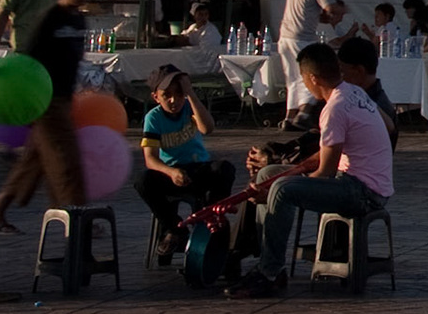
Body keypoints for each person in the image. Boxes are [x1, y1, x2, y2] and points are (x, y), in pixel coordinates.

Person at [229, 41, 394, 299]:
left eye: (303, 79)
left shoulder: (335, 108)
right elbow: (325, 154)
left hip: (363, 191)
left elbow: (326, 172)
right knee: (267, 175)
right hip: (352, 181)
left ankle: (268, 273)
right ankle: (272, 265)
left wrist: (277, 189)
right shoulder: (352, 91)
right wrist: (284, 174)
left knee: (282, 189)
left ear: (313, 78)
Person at [0, 0, 92, 231]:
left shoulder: (79, 20)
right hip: (45, 101)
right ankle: (77, 218)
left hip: (65, 99)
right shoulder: (50, 18)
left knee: (34, 161)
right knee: (67, 160)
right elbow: (28, 59)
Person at [136, 66, 236, 260]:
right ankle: (174, 228)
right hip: (171, 172)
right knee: (143, 180)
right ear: (156, 97)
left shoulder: (190, 106)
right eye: (167, 95)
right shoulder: (153, 118)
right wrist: (171, 172)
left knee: (224, 168)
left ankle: (209, 218)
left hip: (198, 168)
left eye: (179, 94)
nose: (174, 100)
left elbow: (207, 128)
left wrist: (190, 94)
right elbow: (151, 159)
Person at [278, 0, 337, 125]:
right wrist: (343, 9)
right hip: (302, 37)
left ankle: (289, 116)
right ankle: (302, 115)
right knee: (311, 75)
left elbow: (307, 12)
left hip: (285, 36)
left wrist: (321, 18)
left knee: (292, 77)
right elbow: (330, 8)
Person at [335, 36, 399, 148]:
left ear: (359, 70)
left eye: (342, 71)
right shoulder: (371, 100)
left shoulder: (375, 108)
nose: (340, 77)